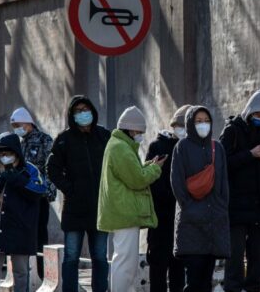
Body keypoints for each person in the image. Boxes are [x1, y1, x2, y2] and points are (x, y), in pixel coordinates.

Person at [46, 96, 112, 292]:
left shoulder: (104, 136)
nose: (83, 113)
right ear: (71, 115)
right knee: (71, 256)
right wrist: (70, 189)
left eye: (86, 109)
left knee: (100, 256)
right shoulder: (63, 140)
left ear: (92, 111)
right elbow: (52, 168)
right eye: (78, 110)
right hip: (74, 208)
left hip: (100, 209)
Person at [97, 106, 164, 292]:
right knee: (125, 263)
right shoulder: (121, 148)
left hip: (121, 212)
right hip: (124, 213)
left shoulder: (118, 145)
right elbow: (138, 179)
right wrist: (156, 169)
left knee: (126, 262)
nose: (140, 136)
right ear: (132, 129)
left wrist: (147, 166)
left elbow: (132, 173)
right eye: (140, 132)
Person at [220, 89, 260, 292]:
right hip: (235, 206)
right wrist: (250, 154)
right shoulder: (232, 130)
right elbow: (222, 163)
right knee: (235, 258)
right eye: (258, 115)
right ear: (249, 112)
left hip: (259, 206)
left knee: (256, 258)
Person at [0, 132, 47, 292]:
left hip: (21, 229)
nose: (5, 156)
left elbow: (39, 190)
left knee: (21, 272)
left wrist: (17, 179)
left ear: (17, 152)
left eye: (8, 152)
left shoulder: (30, 170)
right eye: (1, 153)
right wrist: (1, 179)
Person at [171, 105, 230, 292]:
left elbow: (224, 184)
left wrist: (221, 206)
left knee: (206, 281)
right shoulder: (182, 147)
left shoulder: (217, 148)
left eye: (206, 121)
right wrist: (188, 207)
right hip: (191, 224)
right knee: (194, 281)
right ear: (190, 123)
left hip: (214, 223)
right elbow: (177, 182)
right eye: (198, 121)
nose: (203, 124)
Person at [145, 104, 192, 292]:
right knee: (158, 266)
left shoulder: (190, 148)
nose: (182, 130)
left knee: (178, 267)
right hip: (160, 218)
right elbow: (152, 181)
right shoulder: (158, 146)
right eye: (179, 125)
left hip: (182, 220)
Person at [10, 107, 55, 280]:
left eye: (18, 124)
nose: (16, 128)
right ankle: (26, 274)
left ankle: (43, 274)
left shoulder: (44, 140)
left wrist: (48, 191)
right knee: (24, 234)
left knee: (40, 235)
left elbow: (50, 168)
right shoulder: (19, 143)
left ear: (28, 122)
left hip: (39, 197)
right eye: (14, 125)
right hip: (21, 198)